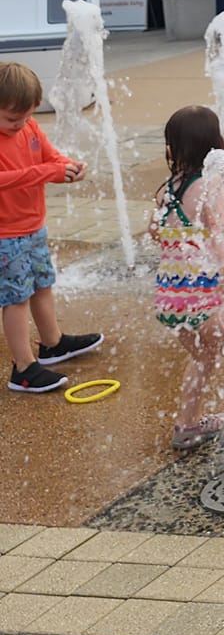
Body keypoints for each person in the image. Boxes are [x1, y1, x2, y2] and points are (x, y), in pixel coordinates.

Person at [151, 106, 224, 449]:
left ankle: (187, 427)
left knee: (202, 356)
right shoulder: (209, 188)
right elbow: (221, 235)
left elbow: (156, 231)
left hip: (171, 297)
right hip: (203, 295)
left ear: (172, 149)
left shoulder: (167, 190)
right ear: (215, 146)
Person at [0, 62, 100, 393]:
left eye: (28, 117)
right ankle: (23, 368)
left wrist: (69, 166)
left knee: (43, 284)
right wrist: (48, 172)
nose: (21, 125)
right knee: (16, 299)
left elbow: (50, 158)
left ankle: (52, 343)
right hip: (6, 235)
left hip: (33, 226)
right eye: (12, 119)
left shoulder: (28, 129)